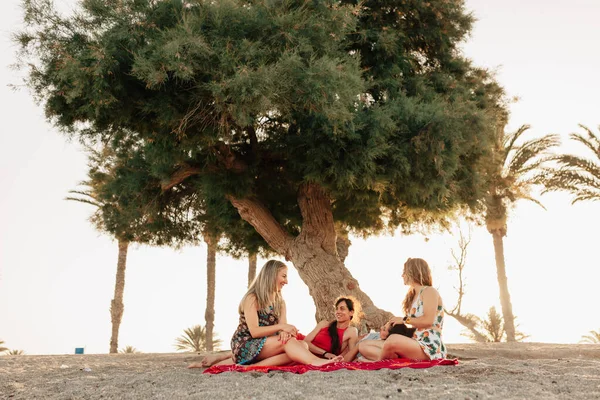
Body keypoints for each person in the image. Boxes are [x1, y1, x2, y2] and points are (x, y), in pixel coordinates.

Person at [188, 260, 342, 368]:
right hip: (245, 344)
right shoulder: (252, 298)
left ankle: (253, 366)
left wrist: (285, 332)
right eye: (283, 276)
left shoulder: (280, 302)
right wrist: (284, 328)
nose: (286, 281)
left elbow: (283, 328)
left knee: (301, 346)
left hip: (265, 345)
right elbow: (254, 331)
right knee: (291, 345)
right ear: (271, 276)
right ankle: (316, 362)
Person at [358, 258, 446, 361]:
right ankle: (390, 358)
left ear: (412, 272)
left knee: (392, 339)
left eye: (404, 272)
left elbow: (428, 321)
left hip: (429, 346)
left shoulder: (429, 291)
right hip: (414, 341)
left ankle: (378, 361)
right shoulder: (413, 296)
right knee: (363, 345)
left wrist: (404, 320)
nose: (402, 275)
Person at [303, 296, 360, 362]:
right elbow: (305, 342)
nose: (338, 312)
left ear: (351, 312)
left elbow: (351, 355)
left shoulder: (351, 331)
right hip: (303, 353)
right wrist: (325, 353)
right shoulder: (324, 324)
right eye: (337, 309)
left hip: (316, 361)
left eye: (342, 309)